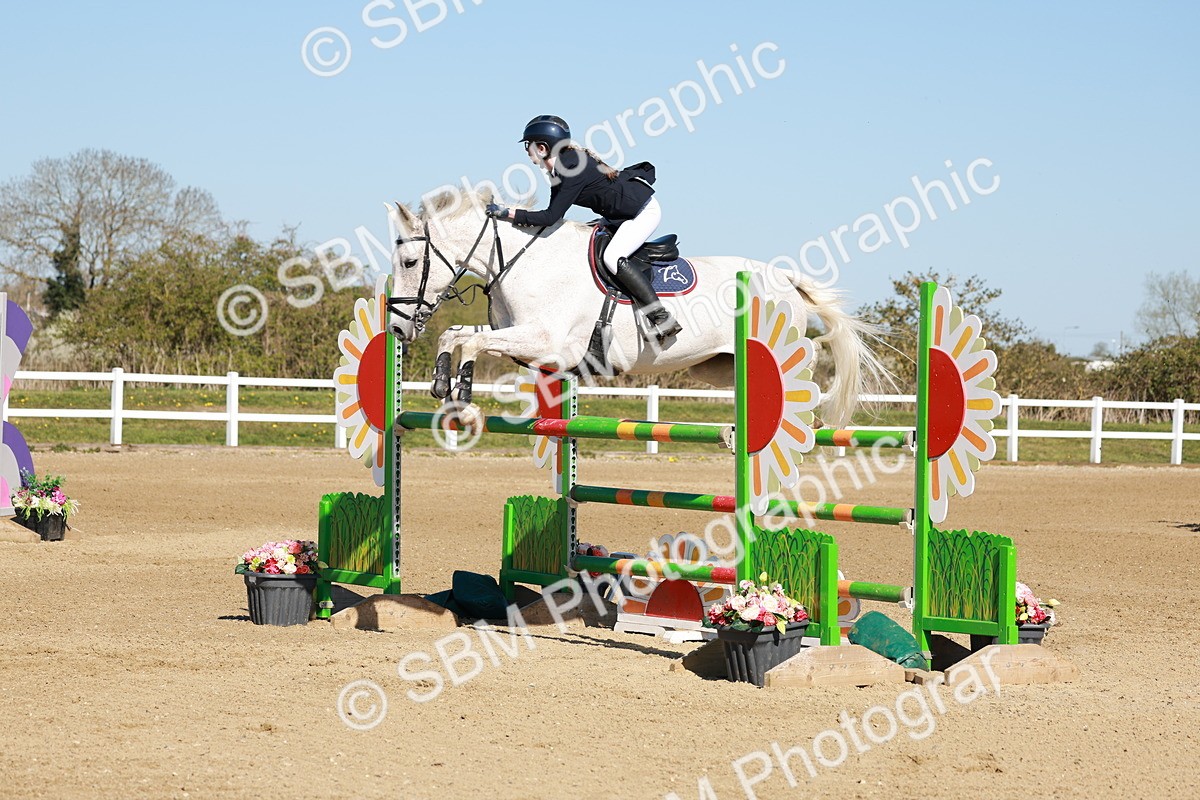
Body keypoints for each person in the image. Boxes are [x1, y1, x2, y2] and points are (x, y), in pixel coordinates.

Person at [486, 115, 682, 342]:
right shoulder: (562, 166)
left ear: (541, 148)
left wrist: (508, 213)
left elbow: (550, 217)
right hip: (617, 215)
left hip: (642, 212)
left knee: (612, 257)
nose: (526, 150)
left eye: (528, 145)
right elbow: (553, 213)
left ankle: (661, 317)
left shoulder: (570, 168)